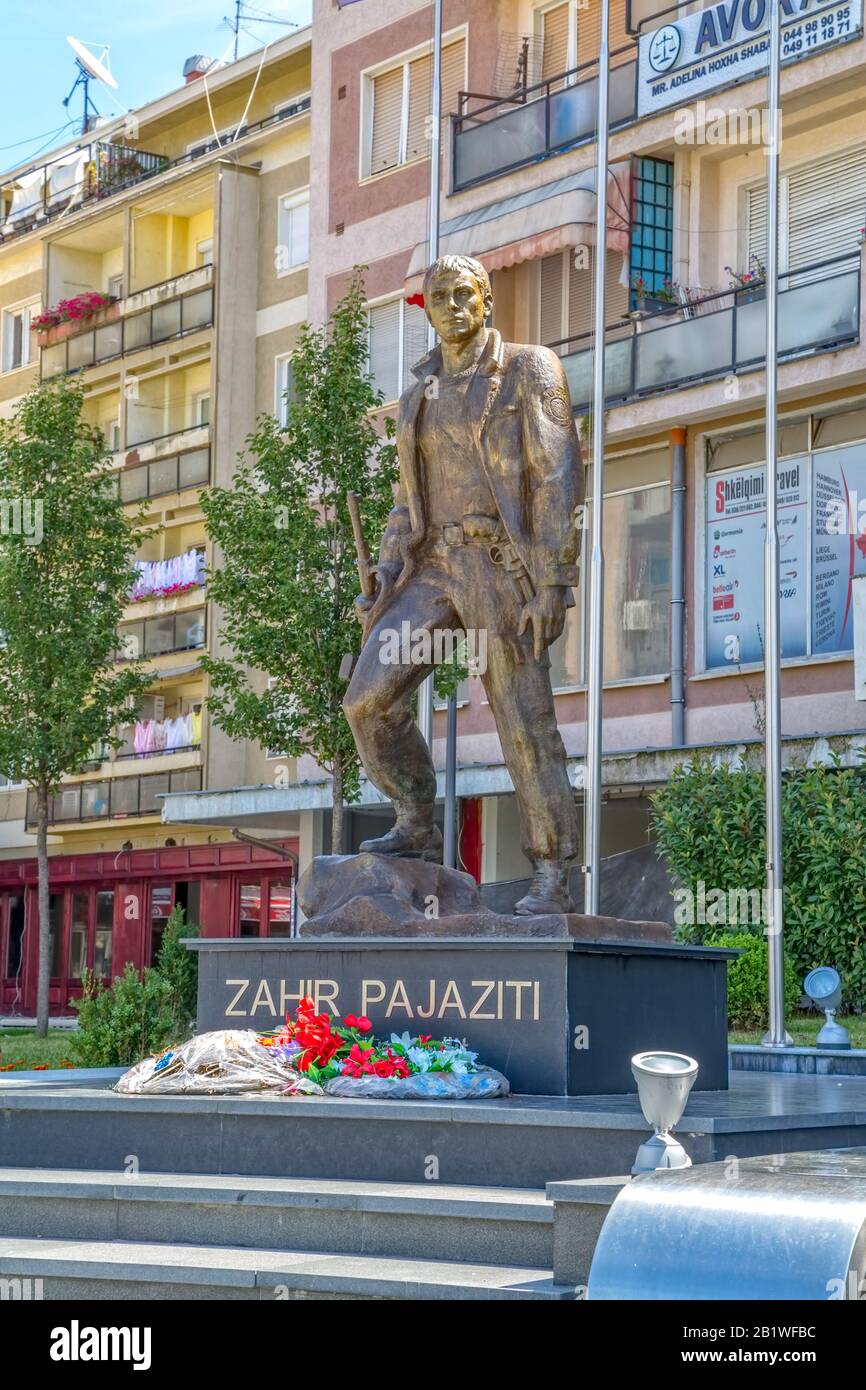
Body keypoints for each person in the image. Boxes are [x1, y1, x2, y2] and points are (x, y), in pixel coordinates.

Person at [344, 254, 583, 914]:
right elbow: (407, 500)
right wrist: (388, 567)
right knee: (368, 702)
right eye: (438, 296)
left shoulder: (530, 370)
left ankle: (552, 872)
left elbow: (557, 480)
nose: (451, 305)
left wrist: (552, 584)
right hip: (431, 570)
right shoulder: (419, 393)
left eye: (463, 293)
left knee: (522, 719)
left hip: (500, 566)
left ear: (485, 300)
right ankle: (417, 823)